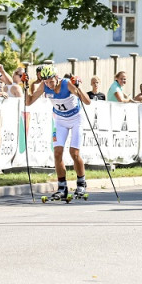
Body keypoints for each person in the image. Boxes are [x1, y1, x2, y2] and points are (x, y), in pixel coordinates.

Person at [27, 65, 92, 201]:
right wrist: (26, 86)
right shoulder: (44, 86)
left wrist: (78, 87)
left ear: (56, 77)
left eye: (51, 81)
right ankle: (62, 187)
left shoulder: (66, 84)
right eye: (46, 82)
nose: (49, 85)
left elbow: (87, 101)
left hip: (76, 119)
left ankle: (81, 183)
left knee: (74, 153)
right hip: (60, 120)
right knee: (57, 153)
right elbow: (29, 102)